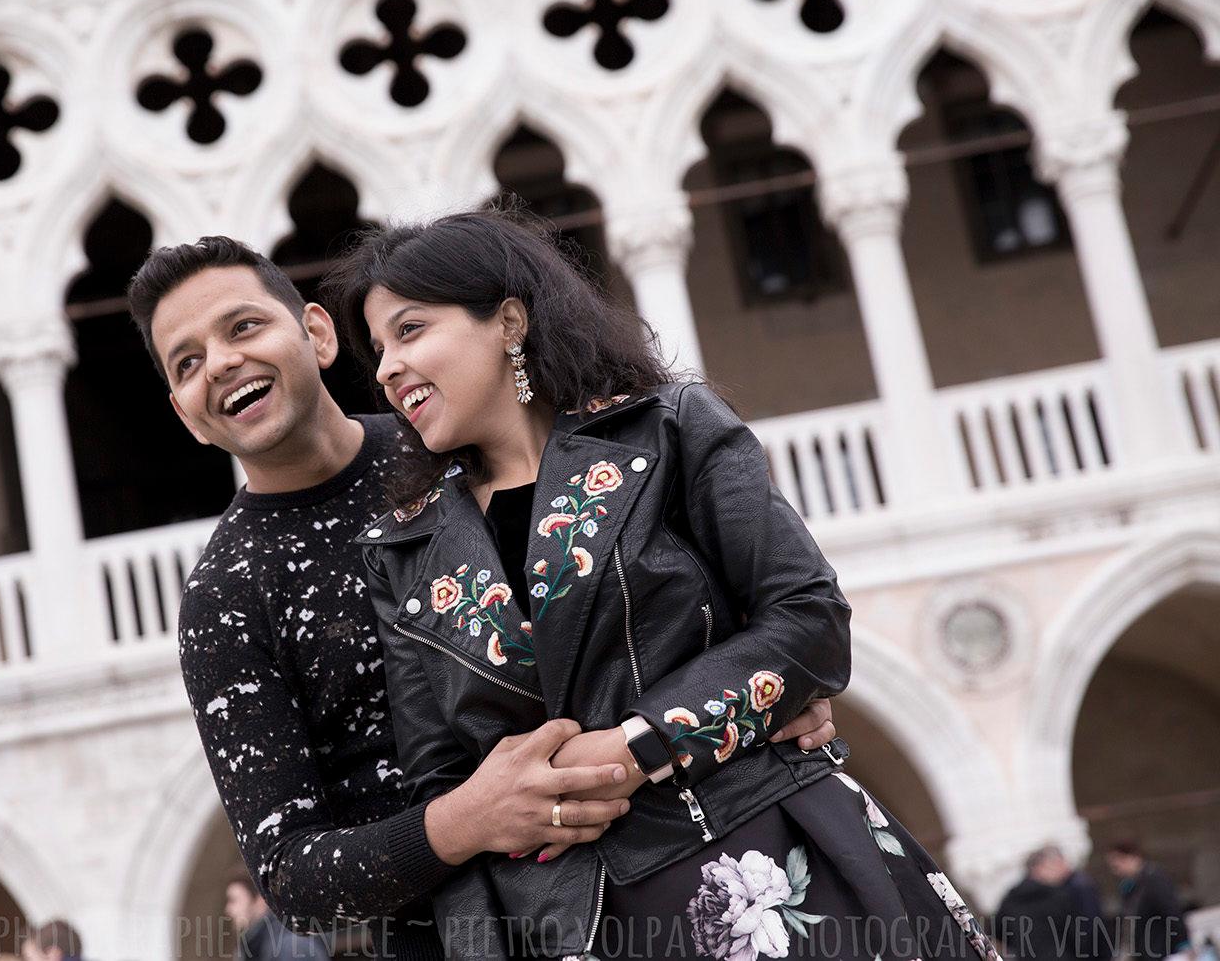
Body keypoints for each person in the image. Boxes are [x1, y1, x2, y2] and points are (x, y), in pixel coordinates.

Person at [324, 208, 1010, 961]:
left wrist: (641, 743)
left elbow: (807, 617)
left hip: (772, 865)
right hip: (578, 928)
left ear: (509, 321)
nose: (386, 367)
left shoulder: (671, 429)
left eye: (411, 330)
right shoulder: (403, 552)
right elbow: (440, 784)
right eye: (379, 348)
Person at [127, 236, 839, 960]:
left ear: (315, 332)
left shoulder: (456, 436)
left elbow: (752, 611)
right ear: (183, 412)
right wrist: (466, 818)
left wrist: (747, 697)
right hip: (476, 935)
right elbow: (292, 878)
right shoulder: (225, 599)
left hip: (703, 854)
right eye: (187, 362)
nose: (219, 361)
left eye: (242, 326)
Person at [996, 845, 1105, 960]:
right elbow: (1079, 935)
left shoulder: (1011, 898)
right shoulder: (1059, 896)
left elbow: (999, 932)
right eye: (1054, 865)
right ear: (1038, 868)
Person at [1107, 840, 1192, 960]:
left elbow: (1171, 911)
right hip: (1144, 952)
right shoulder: (1130, 887)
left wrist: (1183, 942)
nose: (1116, 871)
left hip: (1159, 951)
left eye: (1118, 865)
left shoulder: (1153, 880)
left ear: (1132, 858)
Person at [225, 872, 333, 960]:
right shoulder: (253, 947)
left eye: (233, 900)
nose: (227, 910)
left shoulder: (292, 947)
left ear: (259, 901)